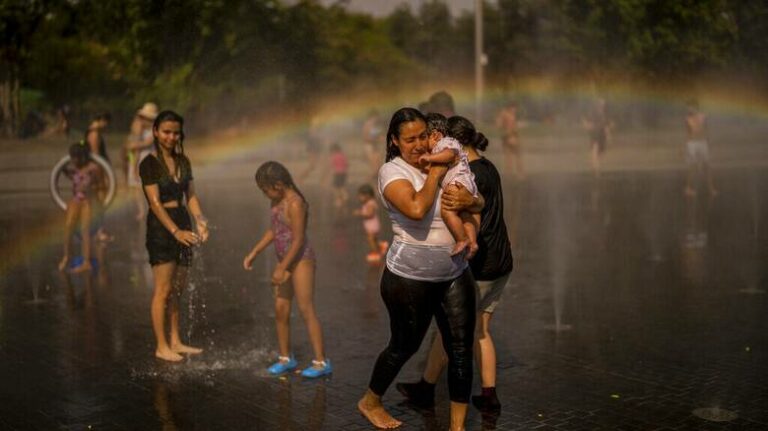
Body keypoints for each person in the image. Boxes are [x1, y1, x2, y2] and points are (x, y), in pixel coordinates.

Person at [357, 108, 482, 431]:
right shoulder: (391, 171)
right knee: (405, 345)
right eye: (409, 139)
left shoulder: (444, 157)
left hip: (454, 272)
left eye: (422, 136)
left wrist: (471, 200)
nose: (418, 144)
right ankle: (371, 400)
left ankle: (457, 427)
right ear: (395, 142)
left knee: (460, 349)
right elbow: (415, 208)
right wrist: (436, 175)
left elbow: (479, 201)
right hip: (408, 278)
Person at [397, 115, 515, 414]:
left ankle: (434, 389)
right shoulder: (488, 167)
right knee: (478, 330)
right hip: (501, 261)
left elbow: (464, 207)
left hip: (480, 264)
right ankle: (480, 393)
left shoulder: (468, 175)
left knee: (458, 330)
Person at [242, 161, 332, 378]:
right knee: (281, 310)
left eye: (266, 190)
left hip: (301, 260)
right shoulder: (276, 201)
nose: (265, 195)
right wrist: (254, 252)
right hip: (284, 259)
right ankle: (285, 358)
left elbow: (299, 239)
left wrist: (282, 267)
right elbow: (274, 230)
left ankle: (321, 361)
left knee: (305, 308)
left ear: (279, 185)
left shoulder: (295, 203)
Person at [139, 110, 209, 362]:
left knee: (178, 289)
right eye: (166, 131)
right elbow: (155, 203)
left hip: (183, 221)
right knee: (163, 289)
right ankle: (161, 346)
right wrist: (175, 231)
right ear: (156, 131)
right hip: (162, 227)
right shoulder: (149, 163)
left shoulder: (183, 161)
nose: (171, 137)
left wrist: (200, 220)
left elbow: (190, 195)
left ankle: (176, 340)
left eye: (175, 132)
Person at [418, 113, 479, 258]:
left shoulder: (445, 143)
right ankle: (473, 242)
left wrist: (429, 157)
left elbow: (450, 155)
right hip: (466, 184)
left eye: (424, 138)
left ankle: (462, 239)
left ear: (435, 135)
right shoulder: (441, 146)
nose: (422, 144)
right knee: (465, 214)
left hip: (458, 182)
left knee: (447, 211)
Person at [58, 142, 101, 273]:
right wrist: (62, 165)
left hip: (87, 201)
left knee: (85, 231)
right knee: (68, 228)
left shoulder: (93, 168)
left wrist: (90, 188)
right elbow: (63, 171)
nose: (74, 160)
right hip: (75, 200)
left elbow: (101, 185)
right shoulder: (73, 169)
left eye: (76, 157)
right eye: (72, 158)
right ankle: (67, 256)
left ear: (82, 157)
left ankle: (86, 262)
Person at [126, 103, 159, 221]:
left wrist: (133, 146)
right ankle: (143, 210)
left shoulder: (152, 129)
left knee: (143, 186)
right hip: (141, 158)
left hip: (144, 158)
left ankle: (146, 210)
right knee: (138, 187)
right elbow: (135, 148)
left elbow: (142, 146)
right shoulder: (141, 128)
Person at [684, 99, 717, 196]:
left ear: (696, 107)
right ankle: (688, 188)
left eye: (691, 107)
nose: (689, 109)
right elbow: (688, 133)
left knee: (707, 166)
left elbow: (706, 129)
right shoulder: (687, 118)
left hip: (702, 142)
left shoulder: (703, 116)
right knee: (692, 167)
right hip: (692, 143)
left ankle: (711, 189)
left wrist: (709, 142)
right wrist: (685, 146)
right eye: (688, 107)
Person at [353, 184, 388, 263]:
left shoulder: (370, 203)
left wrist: (359, 213)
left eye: (360, 196)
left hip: (372, 226)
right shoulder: (369, 202)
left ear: (367, 195)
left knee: (370, 240)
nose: (359, 198)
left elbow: (370, 214)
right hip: (371, 225)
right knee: (374, 239)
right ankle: (381, 246)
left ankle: (375, 253)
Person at [495, 101, 525, 179]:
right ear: (511, 107)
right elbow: (499, 124)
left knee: (509, 157)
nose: (515, 110)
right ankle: (519, 174)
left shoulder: (505, 114)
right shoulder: (508, 114)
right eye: (514, 108)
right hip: (511, 137)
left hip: (507, 136)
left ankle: (510, 174)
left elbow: (499, 124)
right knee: (516, 156)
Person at [583, 98, 611, 177]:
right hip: (595, 134)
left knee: (601, 151)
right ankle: (596, 169)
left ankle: (595, 165)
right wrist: (588, 126)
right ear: (597, 104)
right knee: (595, 150)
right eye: (601, 103)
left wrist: (608, 135)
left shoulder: (605, 114)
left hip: (602, 135)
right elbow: (586, 121)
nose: (602, 105)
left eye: (603, 104)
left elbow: (606, 126)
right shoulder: (593, 113)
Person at [362, 110, 385, 182]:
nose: (378, 119)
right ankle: (366, 182)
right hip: (369, 147)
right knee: (375, 169)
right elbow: (366, 138)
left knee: (379, 168)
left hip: (375, 146)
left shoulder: (375, 126)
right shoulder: (367, 125)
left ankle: (375, 187)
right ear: (373, 116)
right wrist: (378, 139)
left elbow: (377, 135)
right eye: (377, 117)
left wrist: (381, 138)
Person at [329, 143, 349, 210]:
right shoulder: (343, 155)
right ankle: (344, 197)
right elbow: (346, 164)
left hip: (337, 173)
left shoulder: (334, 156)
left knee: (336, 188)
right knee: (342, 187)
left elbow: (332, 165)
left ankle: (338, 201)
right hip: (343, 173)